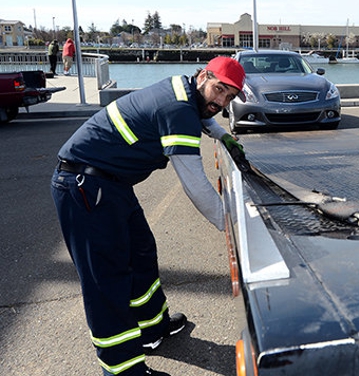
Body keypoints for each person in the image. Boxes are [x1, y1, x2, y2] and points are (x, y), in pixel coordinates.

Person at [50, 57, 248, 376]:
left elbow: (203, 113)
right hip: (85, 187)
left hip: (110, 185)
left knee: (141, 253)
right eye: (219, 90)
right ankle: (123, 369)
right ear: (203, 76)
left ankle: (152, 328)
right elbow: (195, 184)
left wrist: (222, 136)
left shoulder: (184, 92)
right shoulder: (178, 108)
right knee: (106, 282)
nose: (221, 102)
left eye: (230, 97)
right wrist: (234, 230)